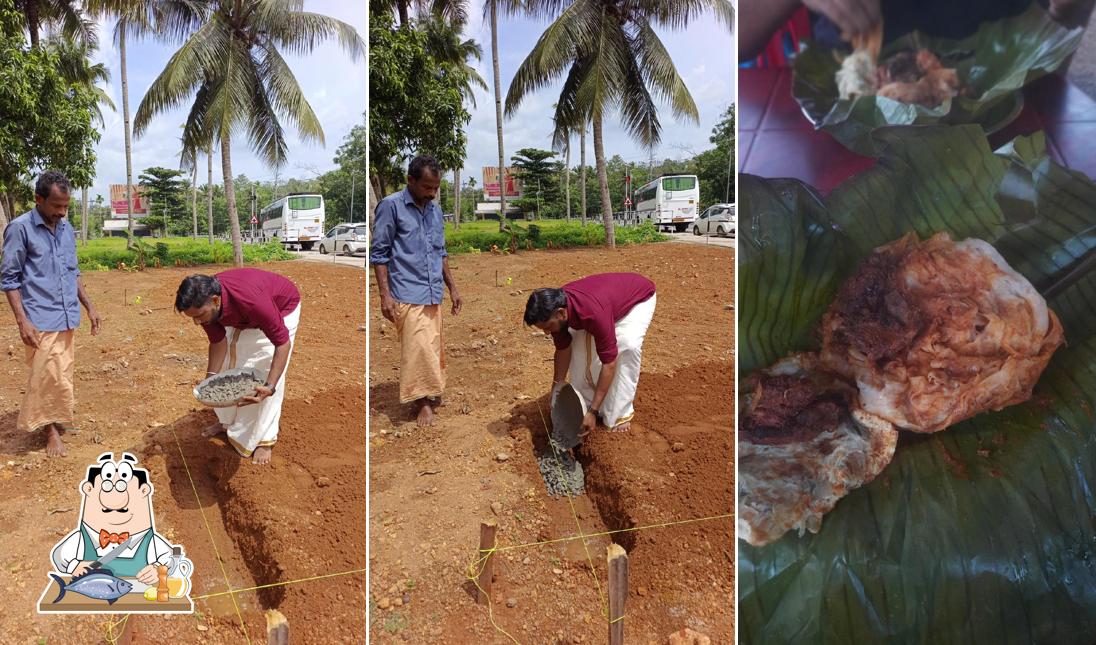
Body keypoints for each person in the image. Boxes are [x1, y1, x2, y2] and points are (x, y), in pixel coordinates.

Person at [1, 170, 101, 458]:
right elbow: (9, 279)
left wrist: (90, 306)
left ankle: (56, 418)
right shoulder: (20, 229)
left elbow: (72, 271)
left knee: (61, 373)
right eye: (56, 205)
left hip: (66, 314)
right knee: (46, 375)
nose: (62, 212)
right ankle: (50, 431)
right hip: (39, 317)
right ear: (38, 199)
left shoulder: (66, 229)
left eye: (66, 206)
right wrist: (22, 321)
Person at [370, 155, 462, 428]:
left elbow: (440, 252)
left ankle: (429, 391)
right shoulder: (391, 206)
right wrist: (384, 295)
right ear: (410, 180)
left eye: (436, 188)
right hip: (406, 291)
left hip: (433, 291)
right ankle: (421, 402)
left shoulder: (434, 211)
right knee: (417, 348)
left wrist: (453, 287)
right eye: (427, 187)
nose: (432, 193)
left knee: (431, 347)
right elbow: (379, 254)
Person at [175, 269, 300, 465]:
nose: (196, 322)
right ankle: (227, 422)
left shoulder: (252, 301)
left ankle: (264, 439)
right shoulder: (206, 307)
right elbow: (218, 341)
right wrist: (210, 379)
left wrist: (270, 386)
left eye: (199, 316)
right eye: (192, 318)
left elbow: (282, 344)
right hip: (245, 313)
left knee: (264, 372)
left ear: (215, 300)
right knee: (227, 369)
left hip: (281, 308)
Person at [524, 273, 657, 436]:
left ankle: (619, 414)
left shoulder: (592, 314)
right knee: (579, 345)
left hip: (636, 300)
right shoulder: (556, 310)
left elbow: (609, 363)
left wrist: (593, 412)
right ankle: (585, 403)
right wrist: (556, 388)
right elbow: (563, 348)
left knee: (627, 346)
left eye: (548, 327)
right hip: (603, 303)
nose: (546, 333)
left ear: (561, 314)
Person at [740, 0, 1095, 60]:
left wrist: (1070, 9)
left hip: (1008, 114)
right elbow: (737, 40)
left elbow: (1062, 25)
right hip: (848, 125)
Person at [51, 452, 190, 589]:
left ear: (144, 491)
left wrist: (158, 570)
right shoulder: (83, 538)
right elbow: (59, 556)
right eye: (106, 486)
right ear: (88, 489)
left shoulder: (148, 542)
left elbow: (172, 559)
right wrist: (74, 566)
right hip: (90, 594)